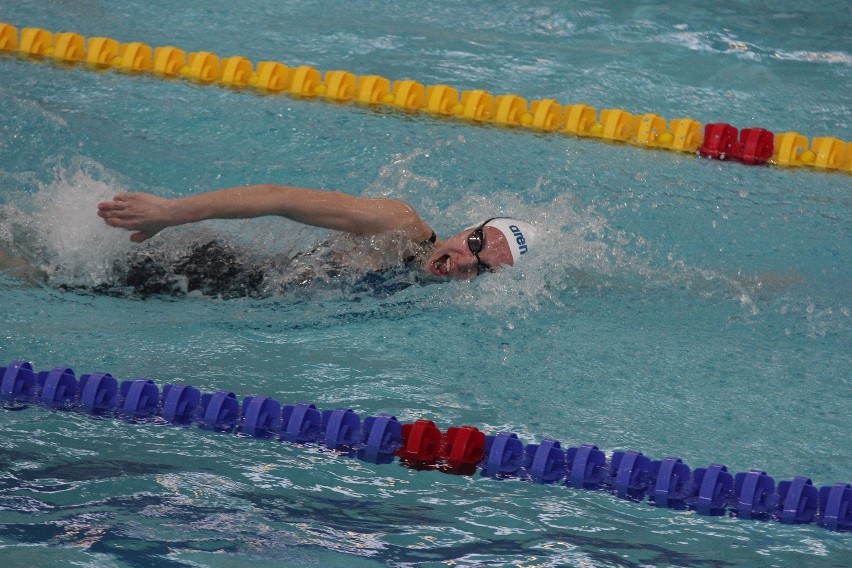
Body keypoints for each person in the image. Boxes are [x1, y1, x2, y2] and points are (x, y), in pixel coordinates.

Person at [96, 184, 535, 283]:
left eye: (480, 269)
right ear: (468, 228)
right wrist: (169, 213)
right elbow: (277, 198)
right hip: (207, 272)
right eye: (474, 243)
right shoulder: (399, 226)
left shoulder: (424, 289)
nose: (462, 259)